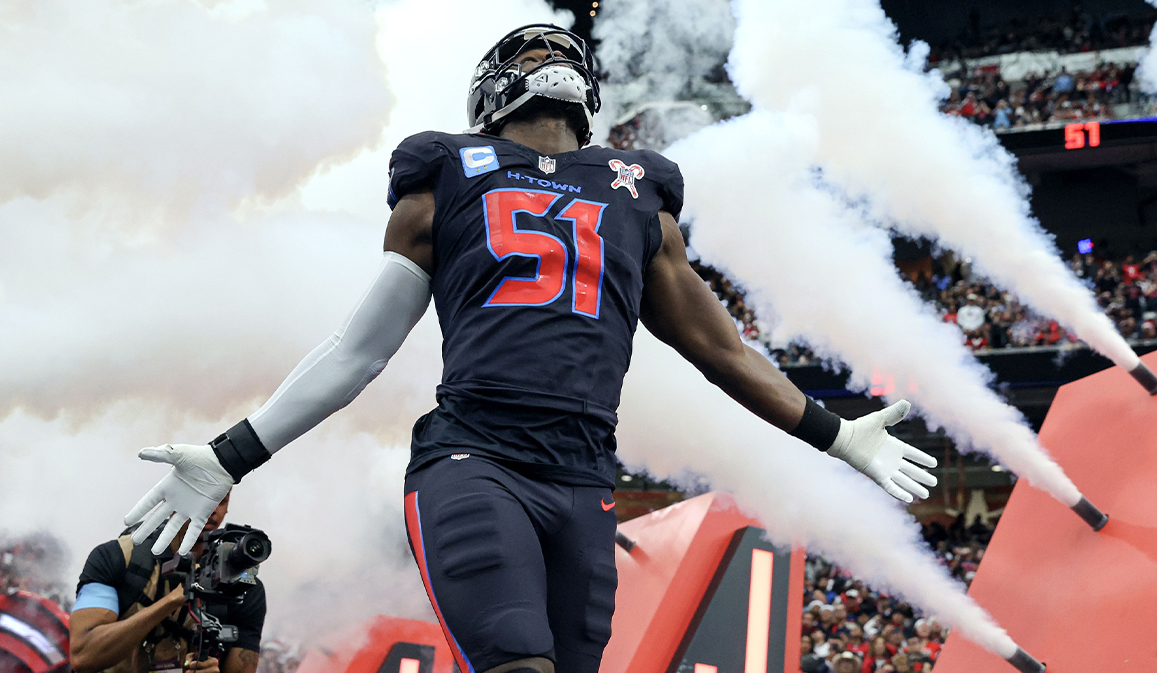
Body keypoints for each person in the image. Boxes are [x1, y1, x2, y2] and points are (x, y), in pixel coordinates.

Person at [119, 24, 937, 673]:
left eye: (557, 47)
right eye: (530, 49)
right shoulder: (449, 171)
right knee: (518, 663)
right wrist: (234, 450)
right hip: (476, 459)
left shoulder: (635, 190)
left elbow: (721, 348)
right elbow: (358, 350)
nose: (546, 55)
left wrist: (834, 431)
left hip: (584, 477)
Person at [70, 492, 263, 672]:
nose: (213, 510)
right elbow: (83, 657)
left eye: (221, 501)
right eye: (202, 497)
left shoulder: (241, 586)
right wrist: (172, 600)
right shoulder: (117, 558)